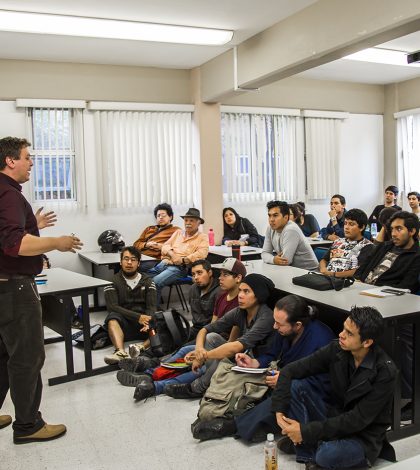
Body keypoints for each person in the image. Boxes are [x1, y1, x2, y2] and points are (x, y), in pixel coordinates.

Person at [0, 136, 83, 444]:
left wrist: (31, 224)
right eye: (27, 156)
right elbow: (14, 244)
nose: (32, 162)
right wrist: (56, 242)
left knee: (3, 355)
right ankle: (28, 426)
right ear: (11, 161)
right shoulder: (8, 195)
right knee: (27, 357)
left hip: (3, 288)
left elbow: (7, 235)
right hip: (15, 289)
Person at [191, 294, 335, 442]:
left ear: (297, 325)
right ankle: (219, 411)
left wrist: (287, 379)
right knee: (241, 379)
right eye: (275, 322)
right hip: (280, 379)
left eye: (279, 324)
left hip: (310, 393)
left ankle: (233, 425)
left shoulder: (321, 339)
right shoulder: (285, 330)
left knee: (284, 398)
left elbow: (324, 382)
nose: (274, 327)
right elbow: (272, 354)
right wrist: (255, 363)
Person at [272, 307, 397, 470]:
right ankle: (311, 456)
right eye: (343, 328)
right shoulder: (337, 348)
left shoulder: (385, 372)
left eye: (349, 333)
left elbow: (357, 420)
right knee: (297, 386)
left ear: (367, 342)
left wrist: (305, 431)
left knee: (327, 455)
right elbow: (290, 370)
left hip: (362, 436)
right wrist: (279, 410)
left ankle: (313, 449)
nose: (341, 335)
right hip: (333, 418)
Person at [115, 258, 247, 399]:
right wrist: (200, 348)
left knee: (199, 364)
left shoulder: (236, 302)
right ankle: (150, 373)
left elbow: (230, 341)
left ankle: (156, 383)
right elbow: (211, 326)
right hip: (206, 336)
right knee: (181, 345)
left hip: (225, 346)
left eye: (225, 275)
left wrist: (203, 353)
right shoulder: (221, 296)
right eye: (220, 274)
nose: (220, 278)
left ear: (238, 278)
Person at [163, 273, 276, 399]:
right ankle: (210, 379)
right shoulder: (241, 311)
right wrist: (199, 350)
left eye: (246, 291)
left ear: (259, 295)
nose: (240, 295)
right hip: (244, 355)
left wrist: (202, 356)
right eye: (240, 291)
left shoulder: (266, 317)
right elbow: (205, 330)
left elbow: (235, 347)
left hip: (259, 363)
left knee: (223, 356)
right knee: (211, 337)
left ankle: (198, 387)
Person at [355, 211, 420, 415]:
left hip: (394, 307)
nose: (394, 233)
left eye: (399, 229)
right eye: (392, 229)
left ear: (413, 231)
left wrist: (372, 289)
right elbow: (361, 271)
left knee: (400, 339)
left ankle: (407, 397)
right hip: (362, 297)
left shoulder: (416, 255)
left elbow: (407, 286)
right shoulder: (383, 247)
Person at [103, 246, 157, 364]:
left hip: (144, 327)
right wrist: (138, 317)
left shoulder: (148, 281)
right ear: (120, 262)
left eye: (133, 259)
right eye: (126, 259)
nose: (129, 262)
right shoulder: (111, 281)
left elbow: (151, 306)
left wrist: (149, 321)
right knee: (112, 318)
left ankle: (140, 348)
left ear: (138, 263)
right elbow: (113, 307)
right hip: (124, 325)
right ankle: (120, 352)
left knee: (163, 320)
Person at [147, 208, 209, 300]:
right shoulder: (178, 233)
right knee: (143, 280)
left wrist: (182, 260)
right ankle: (143, 308)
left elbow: (202, 254)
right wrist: (173, 255)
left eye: (191, 220)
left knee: (154, 283)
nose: (188, 223)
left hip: (179, 268)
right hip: (164, 263)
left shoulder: (202, 237)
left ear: (198, 223)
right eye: (186, 220)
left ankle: (152, 312)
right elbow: (165, 246)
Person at [262, 200, 318, 270]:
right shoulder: (270, 228)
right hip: (291, 270)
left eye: (275, 215)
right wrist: (274, 259)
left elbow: (286, 261)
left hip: (309, 272)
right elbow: (264, 253)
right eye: (269, 216)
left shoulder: (291, 229)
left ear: (286, 217)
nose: (271, 219)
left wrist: (271, 258)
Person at [319, 209, 372, 278]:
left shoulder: (367, 246)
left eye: (351, 224)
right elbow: (324, 260)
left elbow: (358, 271)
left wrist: (333, 274)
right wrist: (323, 269)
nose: (346, 227)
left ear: (361, 227)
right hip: (328, 278)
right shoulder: (338, 241)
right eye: (345, 223)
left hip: (346, 283)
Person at [133, 203, 179, 272]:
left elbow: (179, 248)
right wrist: (146, 244)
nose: (160, 217)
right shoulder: (149, 229)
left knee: (136, 267)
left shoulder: (176, 231)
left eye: (163, 215)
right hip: (140, 257)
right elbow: (136, 244)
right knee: (120, 264)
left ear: (170, 217)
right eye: (158, 216)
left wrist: (161, 247)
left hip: (155, 260)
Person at [188, 259, 220, 340]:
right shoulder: (193, 289)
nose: (196, 277)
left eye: (199, 273)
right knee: (172, 338)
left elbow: (218, 322)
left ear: (209, 273)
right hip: (195, 328)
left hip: (210, 332)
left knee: (183, 349)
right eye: (193, 274)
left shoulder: (219, 291)